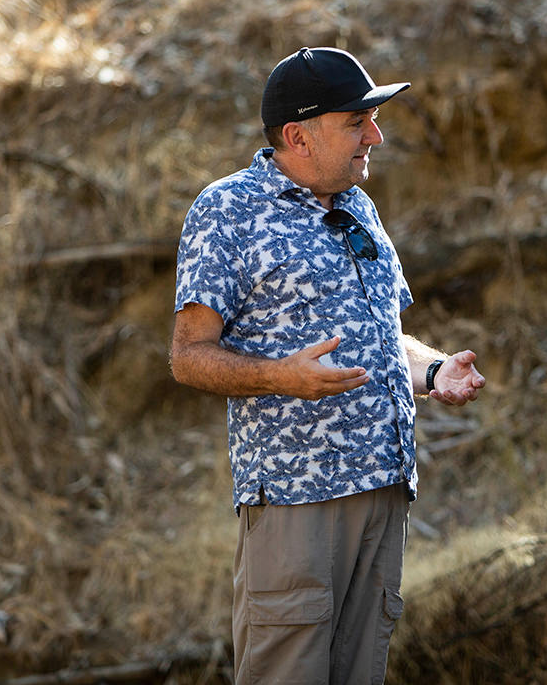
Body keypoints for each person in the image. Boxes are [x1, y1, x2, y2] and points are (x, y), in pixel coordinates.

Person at [170, 46, 486, 684]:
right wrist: (278, 377)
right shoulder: (226, 211)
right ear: (298, 136)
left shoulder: (355, 204)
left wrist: (431, 371)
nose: (375, 135)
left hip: (383, 492)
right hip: (297, 503)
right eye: (355, 122)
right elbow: (188, 357)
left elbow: (383, 335)